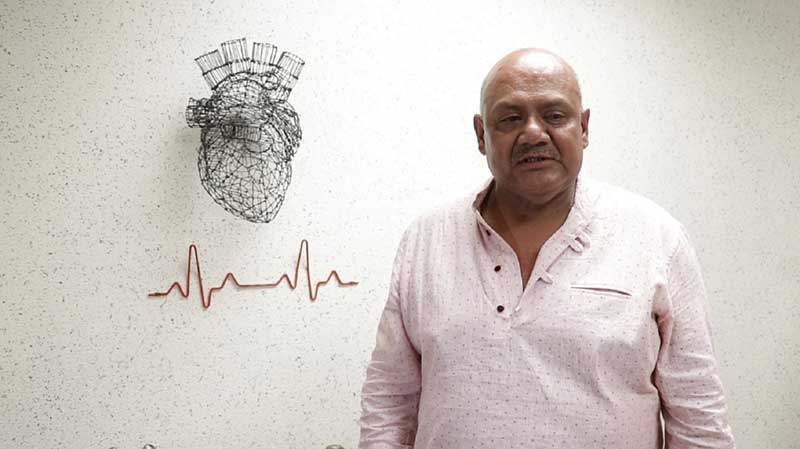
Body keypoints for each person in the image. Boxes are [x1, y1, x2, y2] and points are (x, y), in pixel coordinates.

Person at [358, 48, 736, 449]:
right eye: (510, 118)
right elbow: (390, 403)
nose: (534, 133)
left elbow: (699, 419)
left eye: (555, 116)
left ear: (583, 128)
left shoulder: (655, 238)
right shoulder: (426, 240)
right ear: (481, 134)